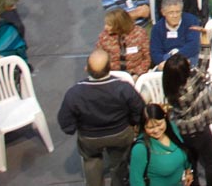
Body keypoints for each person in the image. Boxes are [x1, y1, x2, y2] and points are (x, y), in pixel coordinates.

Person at [57, 49, 146, 186]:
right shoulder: (123, 88)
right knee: (119, 163)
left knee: (91, 162)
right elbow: (138, 108)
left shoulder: (74, 93)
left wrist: (73, 129)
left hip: (89, 138)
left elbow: (65, 121)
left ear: (86, 68)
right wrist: (133, 122)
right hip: (120, 134)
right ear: (110, 68)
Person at [161, 54, 212, 186]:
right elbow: (203, 64)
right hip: (200, 131)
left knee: (191, 165)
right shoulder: (191, 85)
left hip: (183, 133)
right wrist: (204, 36)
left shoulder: (170, 87)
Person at [128, 104, 193, 186]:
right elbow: (136, 181)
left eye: (159, 125)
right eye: (150, 127)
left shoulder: (172, 129)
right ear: (144, 127)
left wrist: (188, 171)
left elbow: (183, 149)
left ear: (165, 118)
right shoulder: (140, 148)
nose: (156, 130)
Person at [95, 7, 151, 77]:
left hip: (136, 75)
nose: (105, 27)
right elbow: (99, 58)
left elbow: (147, 58)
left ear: (119, 25)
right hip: (112, 75)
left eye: (109, 25)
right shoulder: (104, 37)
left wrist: (137, 74)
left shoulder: (139, 33)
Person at [149, 0, 203, 67]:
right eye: (171, 12)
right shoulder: (157, 28)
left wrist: (172, 59)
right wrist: (168, 61)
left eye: (178, 12)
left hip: (188, 59)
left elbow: (193, 46)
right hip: (165, 63)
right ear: (163, 12)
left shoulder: (191, 21)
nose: (175, 15)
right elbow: (155, 53)